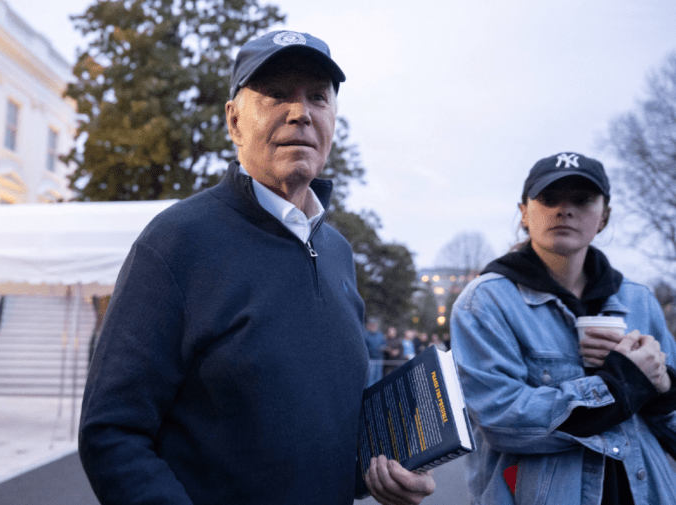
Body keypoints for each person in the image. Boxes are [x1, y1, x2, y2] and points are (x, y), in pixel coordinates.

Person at [79, 31, 435, 505]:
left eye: (317, 97)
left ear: (332, 119)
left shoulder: (338, 253)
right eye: (276, 94)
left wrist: (383, 472)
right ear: (234, 121)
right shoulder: (176, 242)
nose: (300, 112)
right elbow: (111, 432)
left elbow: (324, 440)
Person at [450, 152, 676, 504]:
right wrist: (622, 383)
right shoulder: (485, 301)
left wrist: (663, 387)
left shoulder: (640, 301)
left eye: (582, 199)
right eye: (549, 198)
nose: (564, 210)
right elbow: (502, 421)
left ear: (604, 216)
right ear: (524, 212)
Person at [364, 318, 386, 385]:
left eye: (374, 325)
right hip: (370, 360)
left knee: (378, 377)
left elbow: (384, 344)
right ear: (369, 325)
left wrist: (383, 347)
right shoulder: (365, 335)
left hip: (379, 359)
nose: (373, 326)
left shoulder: (380, 334)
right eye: (371, 325)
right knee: (370, 378)